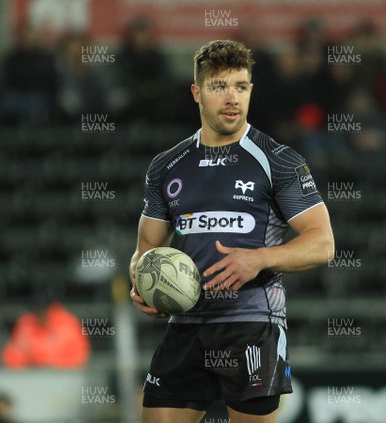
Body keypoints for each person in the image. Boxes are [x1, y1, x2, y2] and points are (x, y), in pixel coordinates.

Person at [129, 40, 334, 423]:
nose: (231, 97)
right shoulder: (167, 166)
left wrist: (258, 259)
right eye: (219, 86)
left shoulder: (277, 160)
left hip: (251, 324)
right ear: (197, 92)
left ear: (251, 91)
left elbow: (322, 244)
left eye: (240, 86)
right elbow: (146, 247)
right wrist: (141, 282)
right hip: (186, 324)